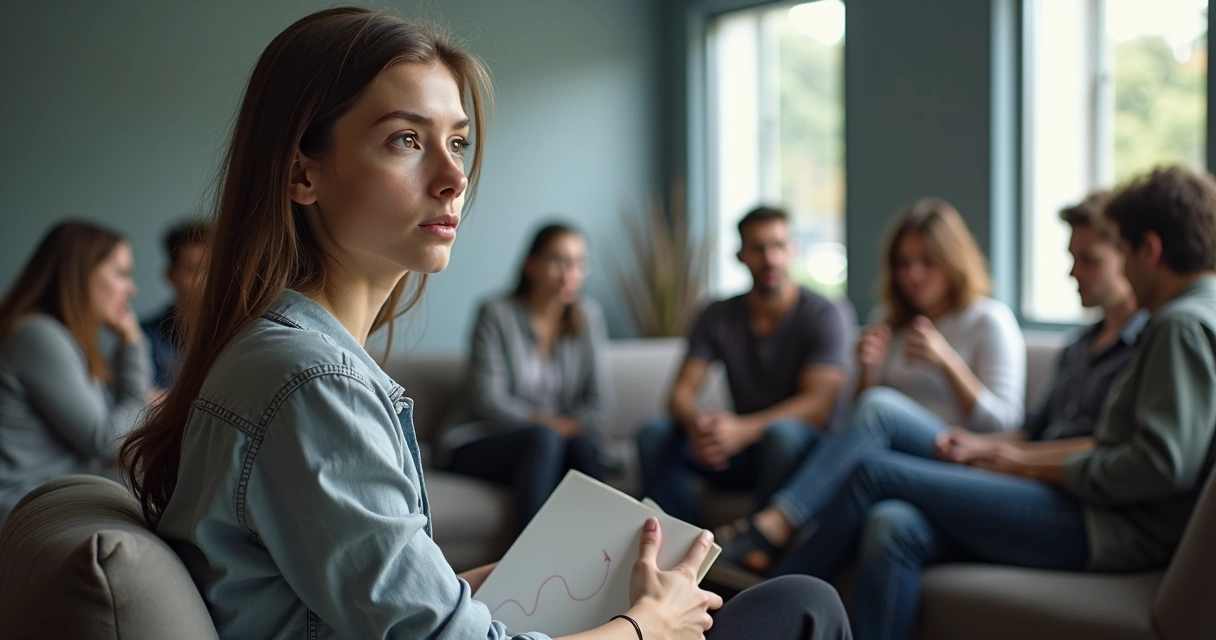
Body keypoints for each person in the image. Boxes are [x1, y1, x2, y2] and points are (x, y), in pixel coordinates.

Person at [119, 9, 851, 640]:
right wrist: (640, 627)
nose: (453, 176)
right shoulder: (312, 383)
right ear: (301, 174)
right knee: (804, 606)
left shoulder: (277, 355)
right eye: (406, 139)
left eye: (458, 141)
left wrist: (475, 585)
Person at [772, 165, 1216, 640]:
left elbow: (1157, 465)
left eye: (1122, 254)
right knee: (893, 523)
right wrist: (1002, 455)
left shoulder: (1179, 325)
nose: (1123, 270)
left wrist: (1021, 464)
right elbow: (1057, 435)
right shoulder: (1155, 326)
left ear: (1150, 250)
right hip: (1086, 505)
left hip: (1105, 523)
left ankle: (770, 605)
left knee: (875, 471)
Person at [719, 194, 1139, 574]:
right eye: (903, 263)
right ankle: (780, 573)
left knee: (882, 412)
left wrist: (947, 363)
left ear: (952, 261)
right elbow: (855, 423)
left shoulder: (986, 319)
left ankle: (772, 540)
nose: (913, 275)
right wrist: (867, 369)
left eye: (926, 261)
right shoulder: (893, 320)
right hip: (900, 456)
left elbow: (1005, 422)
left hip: (953, 451)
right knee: (878, 505)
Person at [636, 206, 853, 528]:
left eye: (779, 246)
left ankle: (757, 546)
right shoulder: (717, 315)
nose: (770, 259)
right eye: (758, 248)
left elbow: (818, 407)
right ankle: (681, 550)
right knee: (654, 435)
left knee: (782, 435)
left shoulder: (825, 314)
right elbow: (679, 394)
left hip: (802, 455)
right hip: (743, 451)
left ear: (793, 250)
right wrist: (701, 427)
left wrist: (743, 430)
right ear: (740, 255)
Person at [441, 223, 612, 534]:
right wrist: (550, 424)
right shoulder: (496, 313)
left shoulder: (588, 317)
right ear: (531, 265)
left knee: (584, 446)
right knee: (544, 438)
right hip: (480, 438)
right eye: (558, 261)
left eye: (578, 263)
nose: (568, 273)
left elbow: (597, 403)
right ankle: (526, 569)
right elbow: (488, 400)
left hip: (550, 445)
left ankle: (603, 558)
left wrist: (566, 428)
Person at [0, 221, 151, 521]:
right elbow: (105, 441)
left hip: (50, 493)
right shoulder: (38, 335)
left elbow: (111, 427)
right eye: (121, 273)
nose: (132, 288)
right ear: (80, 275)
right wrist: (133, 342)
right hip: (23, 505)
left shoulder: (63, 339)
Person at [141, 220, 209, 389]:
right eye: (192, 270)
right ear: (171, 276)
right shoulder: (146, 337)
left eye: (212, 268)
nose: (206, 280)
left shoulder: (239, 331)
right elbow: (141, 405)